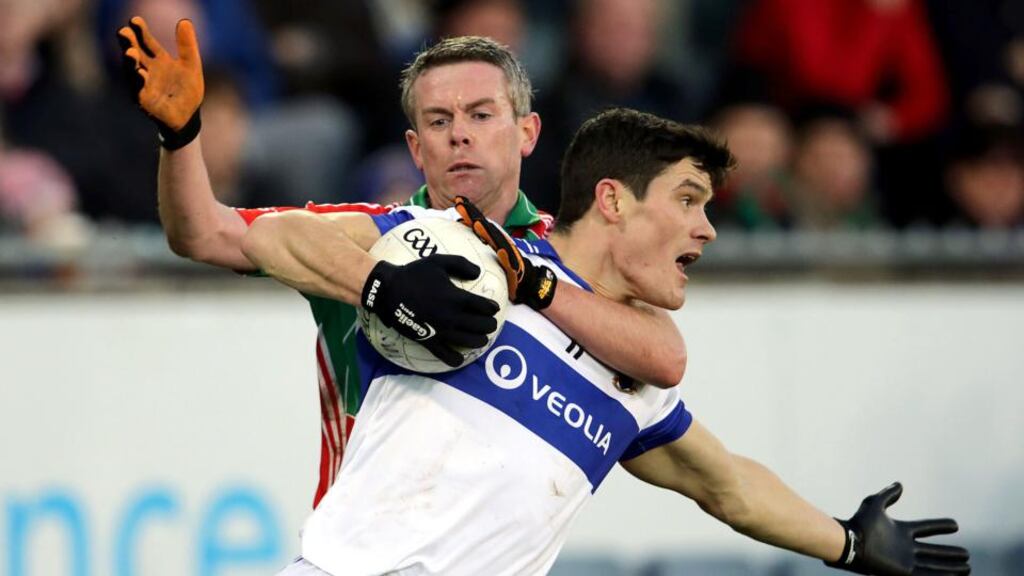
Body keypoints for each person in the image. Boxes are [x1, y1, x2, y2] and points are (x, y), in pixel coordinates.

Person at [241, 108, 971, 575]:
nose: (707, 229)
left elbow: (728, 485)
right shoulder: (476, 256)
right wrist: (380, 284)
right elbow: (279, 235)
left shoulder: (634, 377)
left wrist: (847, 541)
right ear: (614, 199)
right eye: (688, 199)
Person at [116, 18, 688, 508]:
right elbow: (202, 233)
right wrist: (181, 136)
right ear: (416, 148)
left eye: (481, 115)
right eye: (438, 121)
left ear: (527, 132)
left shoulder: (564, 258)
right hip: (361, 550)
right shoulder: (356, 235)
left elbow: (661, 361)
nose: (459, 135)